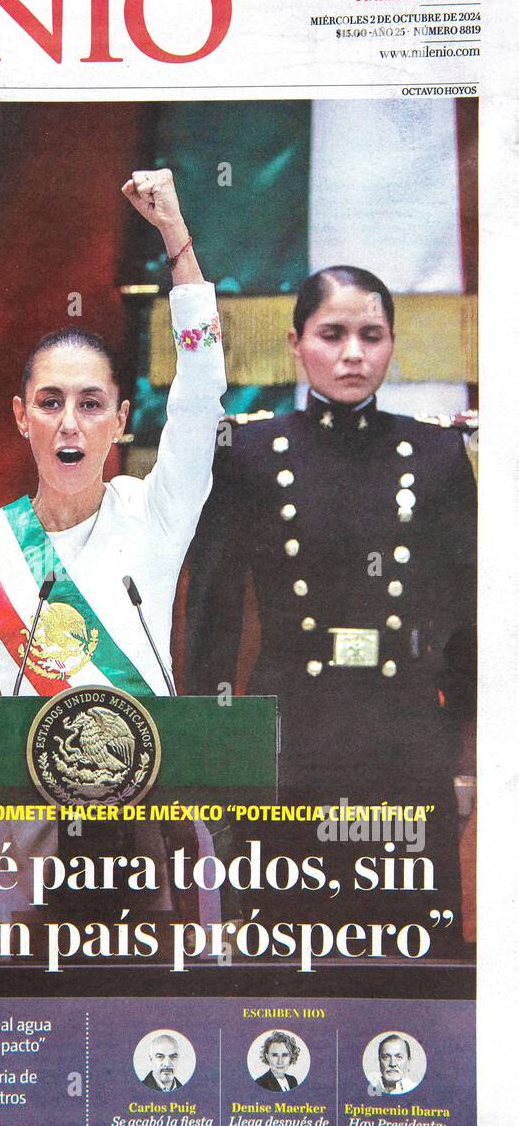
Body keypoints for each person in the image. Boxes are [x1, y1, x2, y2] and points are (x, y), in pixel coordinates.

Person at [0, 171, 226, 926]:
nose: (70, 424)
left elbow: (200, 386)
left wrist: (175, 237)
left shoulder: (156, 516)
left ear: (120, 421)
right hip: (26, 833)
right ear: (19, 417)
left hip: (149, 823)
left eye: (91, 405)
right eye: (50, 403)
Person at [184, 266, 476, 945]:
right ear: (295, 343)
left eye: (370, 335)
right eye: (332, 333)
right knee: (283, 939)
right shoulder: (250, 454)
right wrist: (215, 750)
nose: (352, 353)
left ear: (391, 343)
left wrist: (460, 755)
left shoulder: (434, 455)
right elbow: (213, 613)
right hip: (290, 737)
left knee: (406, 941)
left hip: (402, 730)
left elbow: (462, 614)